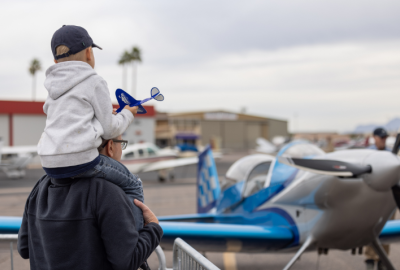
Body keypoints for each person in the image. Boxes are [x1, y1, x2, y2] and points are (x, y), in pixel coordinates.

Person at [37, 25, 145, 230]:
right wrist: (128, 114)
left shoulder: (51, 87)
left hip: (50, 164)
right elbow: (111, 130)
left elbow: (64, 119)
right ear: (89, 53)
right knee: (133, 184)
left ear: (55, 61)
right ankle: (136, 237)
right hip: (82, 161)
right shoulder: (94, 81)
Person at [18, 134, 163, 269]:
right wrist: (153, 227)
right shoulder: (107, 192)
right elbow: (127, 261)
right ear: (110, 146)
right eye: (121, 143)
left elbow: (24, 248)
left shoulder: (40, 186)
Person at [365, 127, 393, 270]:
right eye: (381, 137)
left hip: (388, 199)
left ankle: (382, 261)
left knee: (387, 230)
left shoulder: (391, 155)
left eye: (385, 138)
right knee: (370, 229)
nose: (383, 140)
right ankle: (370, 260)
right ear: (374, 138)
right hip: (372, 199)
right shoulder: (368, 155)